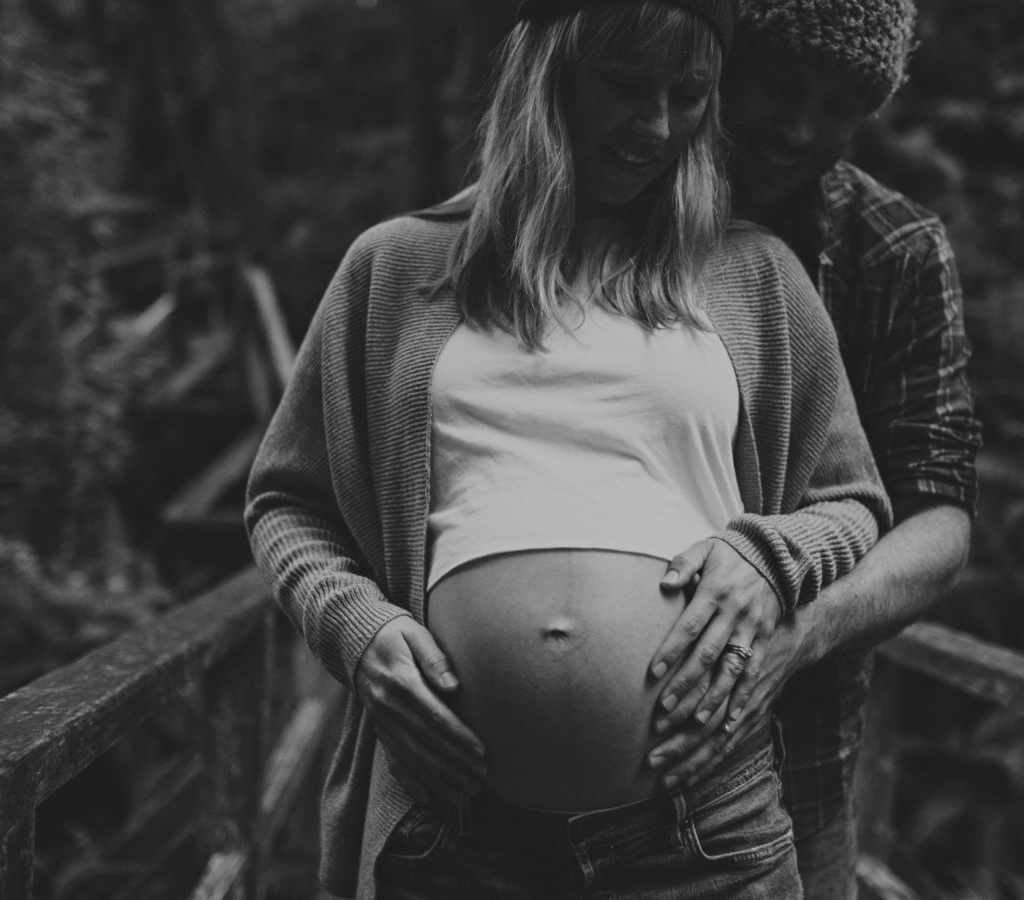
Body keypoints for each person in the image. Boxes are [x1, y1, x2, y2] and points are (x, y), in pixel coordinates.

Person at [246, 0, 894, 897]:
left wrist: (769, 557)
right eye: (623, 84)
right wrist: (358, 633)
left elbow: (853, 502)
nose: (655, 126)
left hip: (703, 838)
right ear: (545, 72)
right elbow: (286, 502)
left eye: (687, 94)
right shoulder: (393, 268)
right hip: (455, 836)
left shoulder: (755, 276)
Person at [642, 1, 982, 897]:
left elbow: (937, 518)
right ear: (722, 59)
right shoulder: (609, 197)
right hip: (558, 797)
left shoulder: (893, 251)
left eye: (838, 106)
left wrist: (800, 629)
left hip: (798, 778)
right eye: (779, 85)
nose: (797, 129)